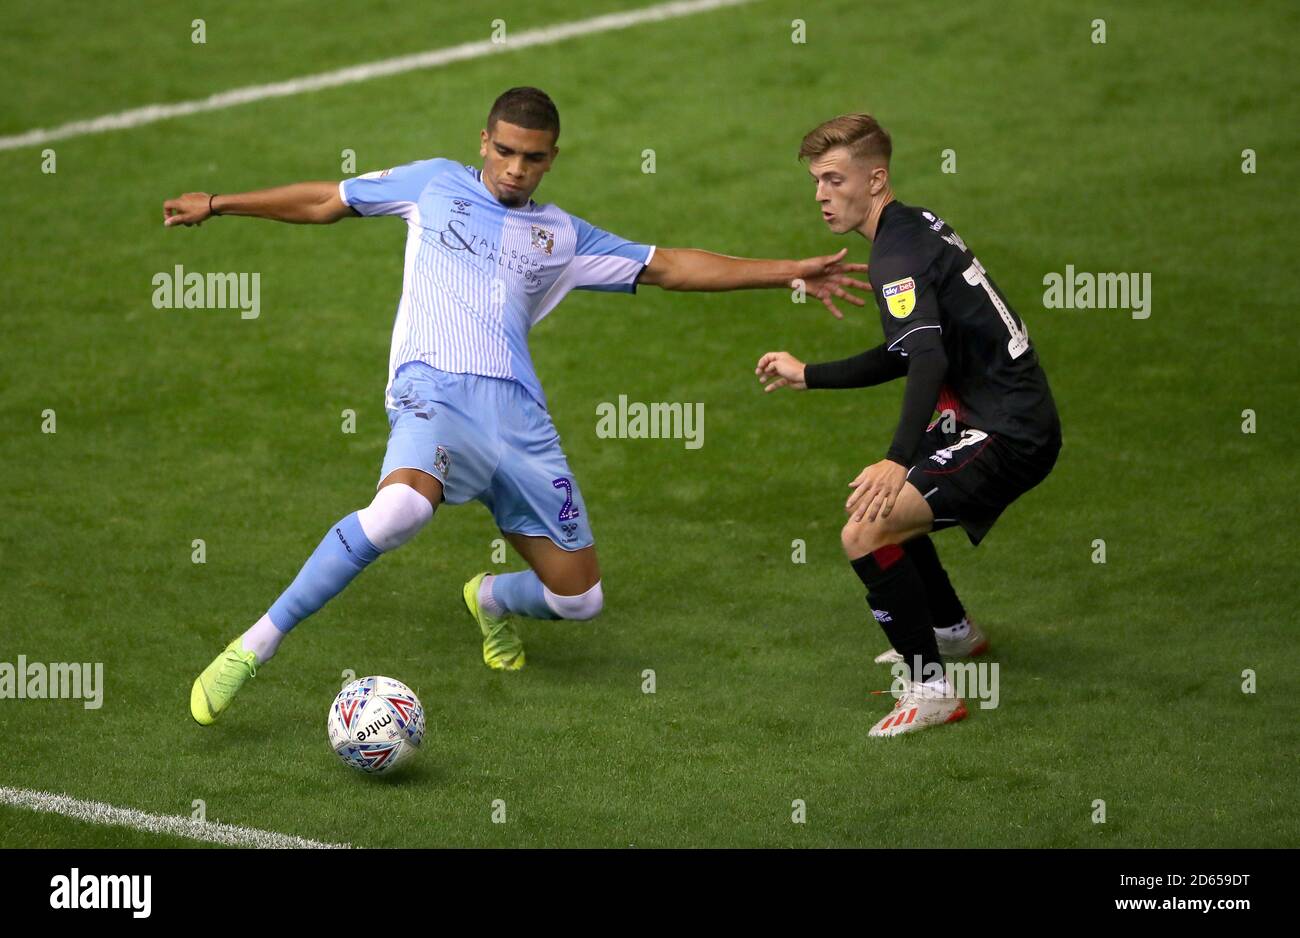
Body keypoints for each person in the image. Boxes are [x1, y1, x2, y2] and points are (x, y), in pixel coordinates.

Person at [166, 87, 871, 725]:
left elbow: (670, 266)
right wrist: (221, 202)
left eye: (532, 158)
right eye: (504, 151)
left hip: (520, 423)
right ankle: (253, 646)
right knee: (400, 511)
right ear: (483, 142)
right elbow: (327, 200)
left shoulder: (563, 236)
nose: (514, 168)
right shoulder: (432, 184)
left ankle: (490, 599)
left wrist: (791, 272)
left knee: (578, 599)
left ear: (551, 160)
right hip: (432, 393)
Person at [756, 114, 1061, 737]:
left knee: (865, 530)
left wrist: (898, 458)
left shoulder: (894, 255)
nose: (821, 194)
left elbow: (926, 358)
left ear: (876, 179)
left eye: (835, 180)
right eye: (816, 180)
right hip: (989, 413)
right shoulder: (913, 225)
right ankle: (953, 632)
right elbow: (908, 349)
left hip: (1008, 430)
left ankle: (931, 693)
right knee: (891, 508)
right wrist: (809, 373)